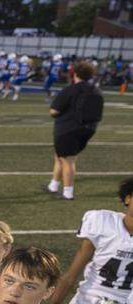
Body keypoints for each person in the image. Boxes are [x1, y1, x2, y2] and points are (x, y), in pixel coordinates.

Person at [48, 59, 105, 202]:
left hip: (68, 129)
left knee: (67, 160)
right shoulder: (96, 90)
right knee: (60, 155)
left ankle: (68, 192)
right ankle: (53, 185)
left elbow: (54, 111)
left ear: (75, 73)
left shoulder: (70, 89)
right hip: (88, 130)